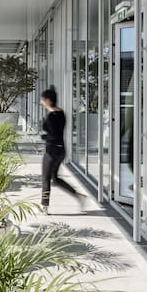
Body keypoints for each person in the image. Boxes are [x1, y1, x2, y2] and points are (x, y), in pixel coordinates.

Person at [40, 86, 86, 215]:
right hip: (61, 150)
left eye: (43, 100)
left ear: (48, 100)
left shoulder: (52, 116)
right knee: (55, 178)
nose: (41, 102)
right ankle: (78, 196)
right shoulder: (61, 113)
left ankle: (44, 206)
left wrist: (43, 136)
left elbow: (53, 134)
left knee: (46, 178)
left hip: (51, 151)